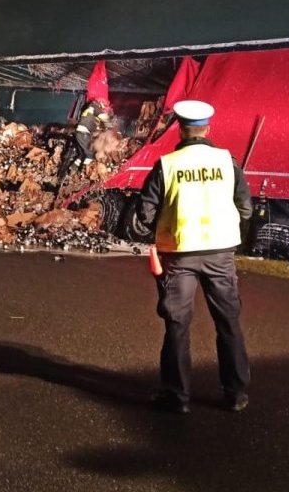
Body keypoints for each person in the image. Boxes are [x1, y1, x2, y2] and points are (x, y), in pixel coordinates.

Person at [137, 99, 253, 414]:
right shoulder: (228, 162)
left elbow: (144, 213)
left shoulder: (167, 165)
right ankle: (237, 394)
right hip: (220, 254)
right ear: (207, 128)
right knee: (228, 321)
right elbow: (246, 208)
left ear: (180, 128)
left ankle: (177, 396)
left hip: (179, 254)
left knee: (178, 324)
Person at [57, 99, 109, 181]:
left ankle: (72, 170)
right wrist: (111, 127)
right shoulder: (94, 107)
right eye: (103, 105)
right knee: (90, 155)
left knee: (81, 155)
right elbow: (104, 117)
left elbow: (93, 124)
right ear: (100, 104)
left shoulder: (89, 110)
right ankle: (84, 174)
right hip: (84, 134)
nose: (103, 107)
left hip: (80, 133)